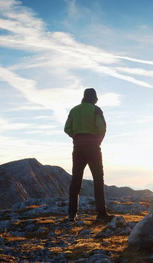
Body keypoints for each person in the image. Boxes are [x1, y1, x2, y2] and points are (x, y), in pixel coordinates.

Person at [64, 88, 114, 222]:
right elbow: (102, 127)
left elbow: (67, 128)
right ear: (94, 99)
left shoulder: (74, 110)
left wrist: (76, 137)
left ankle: (71, 214)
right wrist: (98, 140)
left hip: (78, 148)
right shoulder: (95, 109)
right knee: (98, 179)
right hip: (93, 148)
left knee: (76, 180)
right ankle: (101, 213)